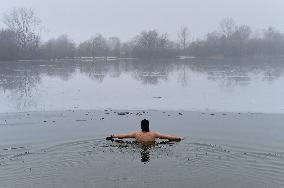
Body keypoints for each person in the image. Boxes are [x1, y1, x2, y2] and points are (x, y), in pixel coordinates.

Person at [106, 119, 184, 143]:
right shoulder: (154, 134)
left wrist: (113, 136)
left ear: (141, 126)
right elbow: (168, 137)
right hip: (151, 146)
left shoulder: (136, 134)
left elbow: (123, 136)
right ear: (148, 125)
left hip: (138, 146)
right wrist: (179, 138)